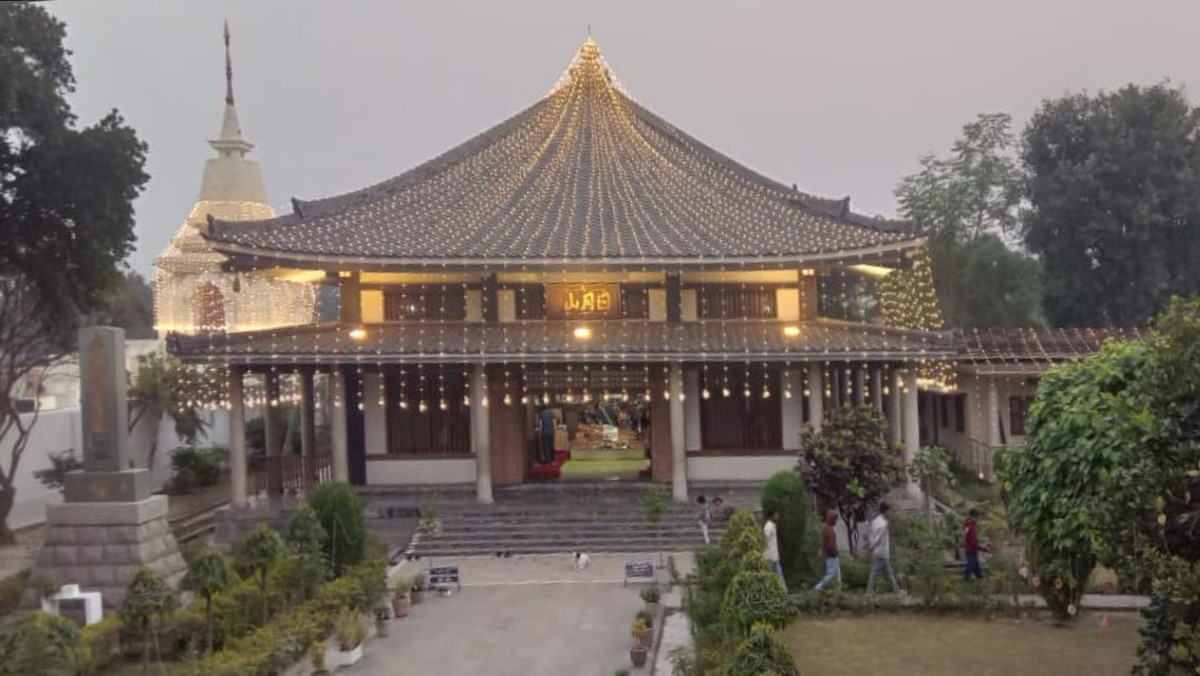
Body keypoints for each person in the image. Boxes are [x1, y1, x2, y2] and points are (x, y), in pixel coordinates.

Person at [866, 502, 904, 595]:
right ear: (885, 511)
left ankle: (897, 591)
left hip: (878, 551)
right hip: (882, 552)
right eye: (889, 511)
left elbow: (872, 535)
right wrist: (874, 547)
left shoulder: (875, 521)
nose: (890, 513)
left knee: (888, 574)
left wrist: (872, 546)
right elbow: (879, 538)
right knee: (875, 573)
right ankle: (868, 592)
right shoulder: (883, 524)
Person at [813, 509, 841, 591]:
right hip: (831, 555)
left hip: (827, 554)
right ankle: (818, 587)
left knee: (836, 574)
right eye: (835, 519)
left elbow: (824, 543)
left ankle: (838, 590)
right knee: (832, 574)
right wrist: (835, 552)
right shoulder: (830, 530)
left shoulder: (825, 528)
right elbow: (830, 545)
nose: (836, 521)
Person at [963, 507, 989, 581]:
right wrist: (983, 548)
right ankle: (966, 586)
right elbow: (972, 541)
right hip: (971, 551)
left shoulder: (968, 525)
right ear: (974, 516)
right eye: (977, 517)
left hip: (971, 551)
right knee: (969, 571)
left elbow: (970, 539)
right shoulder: (971, 526)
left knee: (978, 572)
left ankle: (982, 584)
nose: (977, 519)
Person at [764, 510, 785, 590]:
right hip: (769, 556)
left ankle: (783, 592)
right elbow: (765, 538)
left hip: (774, 556)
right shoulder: (768, 526)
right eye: (776, 515)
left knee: (779, 574)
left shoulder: (773, 525)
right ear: (771, 516)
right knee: (769, 576)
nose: (778, 516)